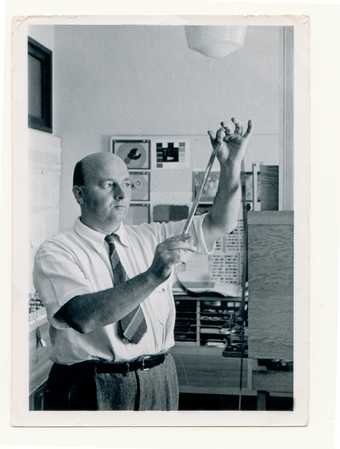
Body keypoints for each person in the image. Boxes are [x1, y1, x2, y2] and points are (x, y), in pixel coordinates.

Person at [33, 118, 253, 411]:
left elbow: (220, 223)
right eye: (108, 185)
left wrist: (231, 165)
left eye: (126, 183)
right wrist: (153, 275)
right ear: (79, 194)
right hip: (91, 386)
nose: (122, 195)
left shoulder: (151, 235)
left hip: (159, 378)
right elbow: (83, 317)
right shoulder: (57, 251)